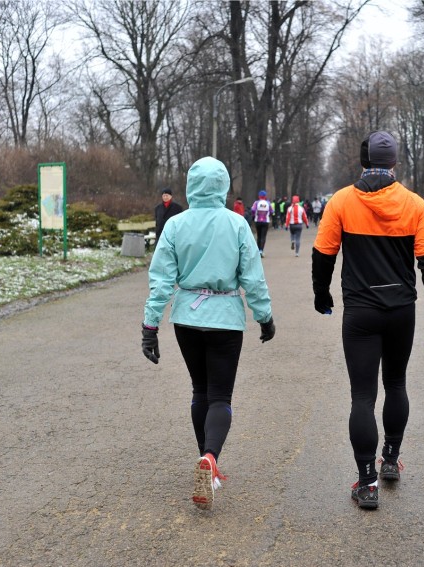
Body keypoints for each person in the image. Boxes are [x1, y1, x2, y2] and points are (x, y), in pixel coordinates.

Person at [311, 131, 424, 510]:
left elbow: (323, 255)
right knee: (397, 383)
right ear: (394, 164)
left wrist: (321, 295)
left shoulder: (341, 201)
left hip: (360, 311)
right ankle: (389, 460)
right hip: (401, 309)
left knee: (362, 395)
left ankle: (367, 483)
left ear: (363, 160)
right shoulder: (415, 204)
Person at [141, 157, 276, 512]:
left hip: (187, 318)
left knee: (199, 391)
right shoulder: (237, 224)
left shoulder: (175, 225)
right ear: (223, 186)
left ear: (189, 185)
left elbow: (160, 281)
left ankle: (206, 460)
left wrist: (150, 327)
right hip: (225, 319)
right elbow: (252, 277)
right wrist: (264, 316)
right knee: (220, 396)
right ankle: (210, 457)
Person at [250, 190, 273, 257]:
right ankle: (261, 251)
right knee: (263, 236)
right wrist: (269, 215)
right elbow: (272, 211)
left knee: (259, 236)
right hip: (265, 221)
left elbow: (253, 210)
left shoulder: (256, 203)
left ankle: (258, 250)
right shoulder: (268, 203)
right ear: (265, 196)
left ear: (259, 196)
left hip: (258, 221)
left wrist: (254, 215)